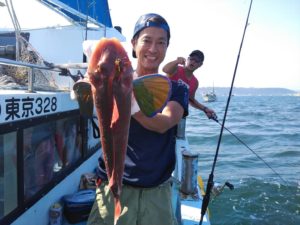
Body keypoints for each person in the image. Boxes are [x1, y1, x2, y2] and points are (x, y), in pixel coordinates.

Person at [87, 13, 189, 225]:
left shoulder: (177, 88)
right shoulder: (113, 80)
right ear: (133, 44)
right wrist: (93, 84)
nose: (153, 49)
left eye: (161, 42)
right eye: (147, 40)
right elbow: (91, 105)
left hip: (157, 193)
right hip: (112, 183)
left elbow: (164, 123)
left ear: (167, 47)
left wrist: (129, 100)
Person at [163, 50, 217, 119]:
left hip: (177, 116)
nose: (193, 62)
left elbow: (191, 100)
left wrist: (205, 109)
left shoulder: (195, 82)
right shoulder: (176, 69)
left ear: (200, 65)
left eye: (196, 61)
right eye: (191, 59)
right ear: (187, 59)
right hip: (162, 107)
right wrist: (176, 61)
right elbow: (165, 70)